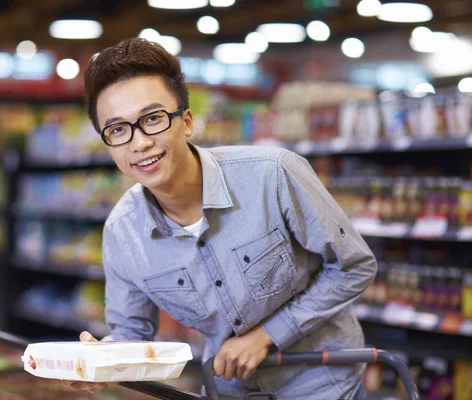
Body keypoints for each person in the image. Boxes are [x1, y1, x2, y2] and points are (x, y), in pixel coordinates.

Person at [62, 37, 377, 399]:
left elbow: (354, 266)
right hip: (228, 388)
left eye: (152, 119)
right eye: (118, 130)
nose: (140, 143)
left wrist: (266, 336)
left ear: (188, 121)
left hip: (321, 382)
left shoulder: (272, 175)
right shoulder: (123, 231)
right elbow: (132, 332)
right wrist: (102, 361)